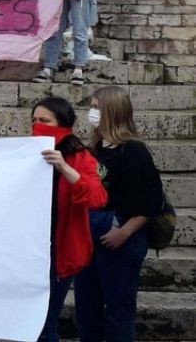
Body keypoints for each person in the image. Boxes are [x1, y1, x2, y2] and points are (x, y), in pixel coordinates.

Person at [0, 97, 108, 342]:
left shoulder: (80, 158)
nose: (37, 126)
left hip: (57, 253)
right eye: (34, 120)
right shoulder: (23, 152)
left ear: (63, 124)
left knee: (45, 326)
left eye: (44, 121)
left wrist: (65, 169)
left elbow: (97, 198)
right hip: (16, 251)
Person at [75, 86, 164, 342]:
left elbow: (151, 201)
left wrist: (124, 232)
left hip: (122, 236)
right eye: (91, 107)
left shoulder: (133, 151)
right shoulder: (94, 149)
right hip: (90, 237)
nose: (92, 113)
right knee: (87, 307)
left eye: (96, 108)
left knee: (118, 310)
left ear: (112, 112)